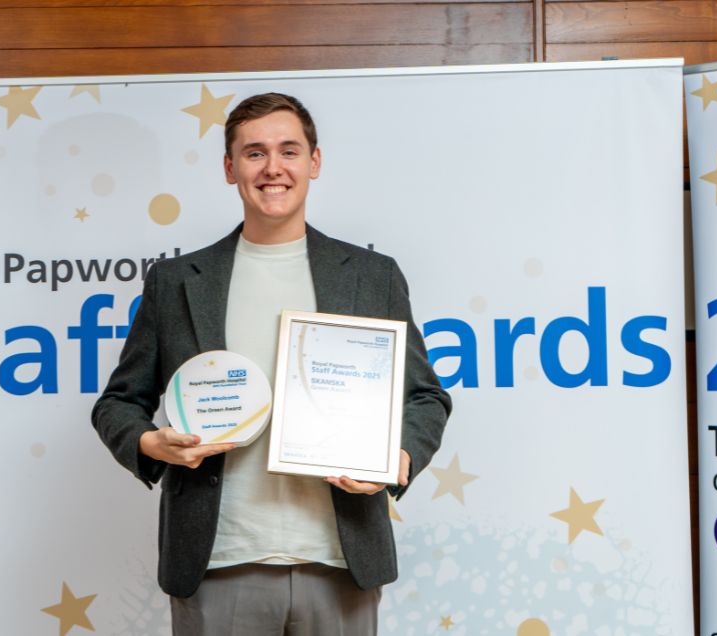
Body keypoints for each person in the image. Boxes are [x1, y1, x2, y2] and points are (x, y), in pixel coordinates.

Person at [92, 92, 451, 635]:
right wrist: (149, 443)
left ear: (314, 161)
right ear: (230, 168)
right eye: (255, 153)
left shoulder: (372, 276)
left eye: (289, 150)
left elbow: (425, 396)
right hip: (217, 559)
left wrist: (397, 458)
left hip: (341, 557)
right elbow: (118, 403)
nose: (273, 168)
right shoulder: (176, 283)